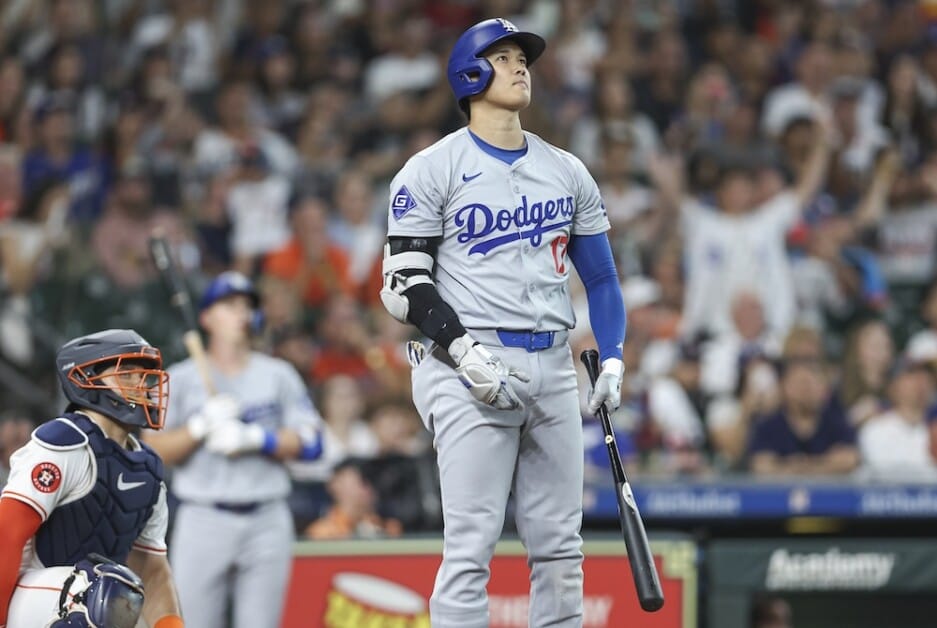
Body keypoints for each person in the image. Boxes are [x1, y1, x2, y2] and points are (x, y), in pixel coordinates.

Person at [379, 18, 627, 627]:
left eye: (523, 57)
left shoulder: (566, 168)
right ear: (470, 73)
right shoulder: (431, 168)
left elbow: (601, 278)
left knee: (561, 549)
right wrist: (463, 352)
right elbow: (403, 286)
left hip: (553, 363)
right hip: (468, 364)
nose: (521, 66)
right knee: (471, 548)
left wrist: (614, 354)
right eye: (504, 57)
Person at [141, 271, 322, 628]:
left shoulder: (277, 374)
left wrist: (257, 439)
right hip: (203, 516)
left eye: (246, 305)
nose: (240, 312)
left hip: (266, 517)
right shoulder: (183, 378)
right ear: (207, 317)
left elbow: (314, 443)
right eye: (229, 305)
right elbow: (149, 451)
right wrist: (197, 429)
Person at [0, 329, 184, 628]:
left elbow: (152, 570)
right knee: (99, 593)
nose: (142, 385)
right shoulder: (64, 442)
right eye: (126, 373)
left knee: (123, 598)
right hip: (20, 593)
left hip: (86, 602)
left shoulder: (148, 468)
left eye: (145, 376)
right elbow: (6, 534)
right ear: (85, 378)